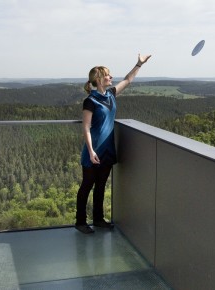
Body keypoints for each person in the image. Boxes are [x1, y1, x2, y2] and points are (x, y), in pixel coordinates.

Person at [75, 53, 152, 234]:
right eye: (108, 75)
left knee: (101, 185)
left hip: (107, 150)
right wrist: (91, 150)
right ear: (100, 79)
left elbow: (128, 80)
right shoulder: (90, 101)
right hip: (93, 151)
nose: (111, 77)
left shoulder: (110, 95)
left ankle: (98, 219)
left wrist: (139, 64)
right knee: (87, 186)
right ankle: (80, 221)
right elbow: (86, 128)